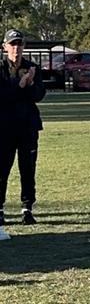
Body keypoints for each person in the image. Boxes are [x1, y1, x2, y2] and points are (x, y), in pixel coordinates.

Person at [0, 29, 46, 232]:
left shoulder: (32, 68)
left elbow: (38, 95)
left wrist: (30, 83)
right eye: (12, 44)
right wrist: (19, 85)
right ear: (4, 47)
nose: (16, 48)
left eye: (19, 44)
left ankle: (27, 208)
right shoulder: (0, 69)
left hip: (27, 126)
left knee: (28, 168)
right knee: (2, 169)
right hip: (4, 127)